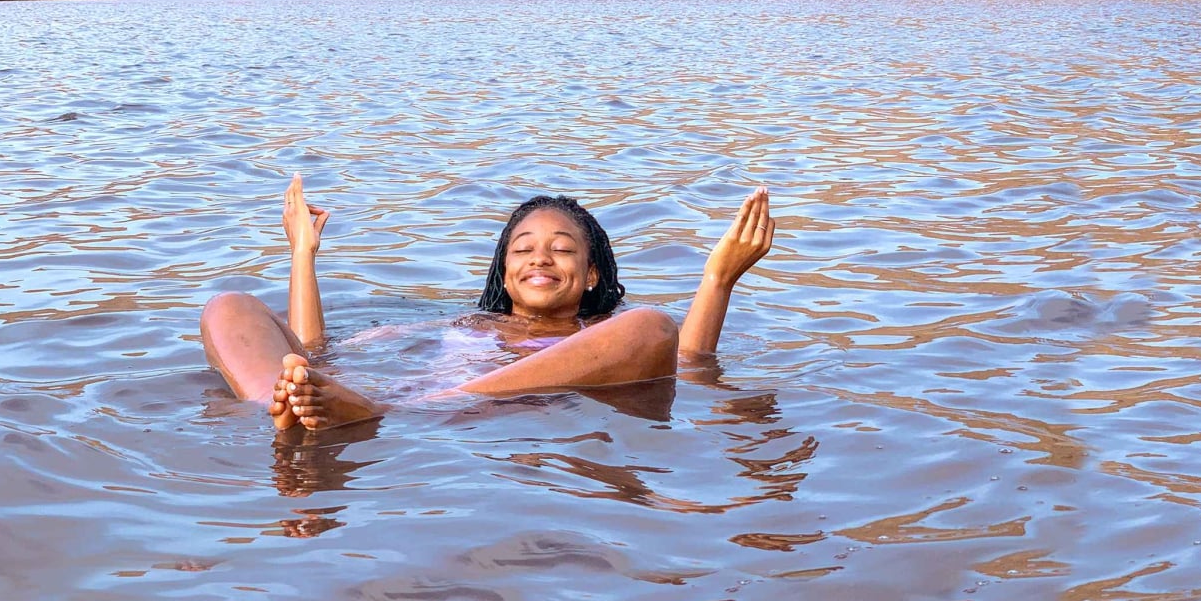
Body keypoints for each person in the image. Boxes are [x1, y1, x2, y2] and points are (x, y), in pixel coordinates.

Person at [199, 175, 775, 431]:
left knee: (653, 326)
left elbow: (686, 366)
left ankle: (369, 415)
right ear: (504, 270)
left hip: (427, 409)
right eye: (523, 249)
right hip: (385, 393)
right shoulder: (466, 322)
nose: (540, 258)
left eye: (561, 249)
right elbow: (318, 354)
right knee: (231, 306)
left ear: (594, 272)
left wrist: (718, 278)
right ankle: (273, 409)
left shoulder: (604, 333)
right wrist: (304, 254)